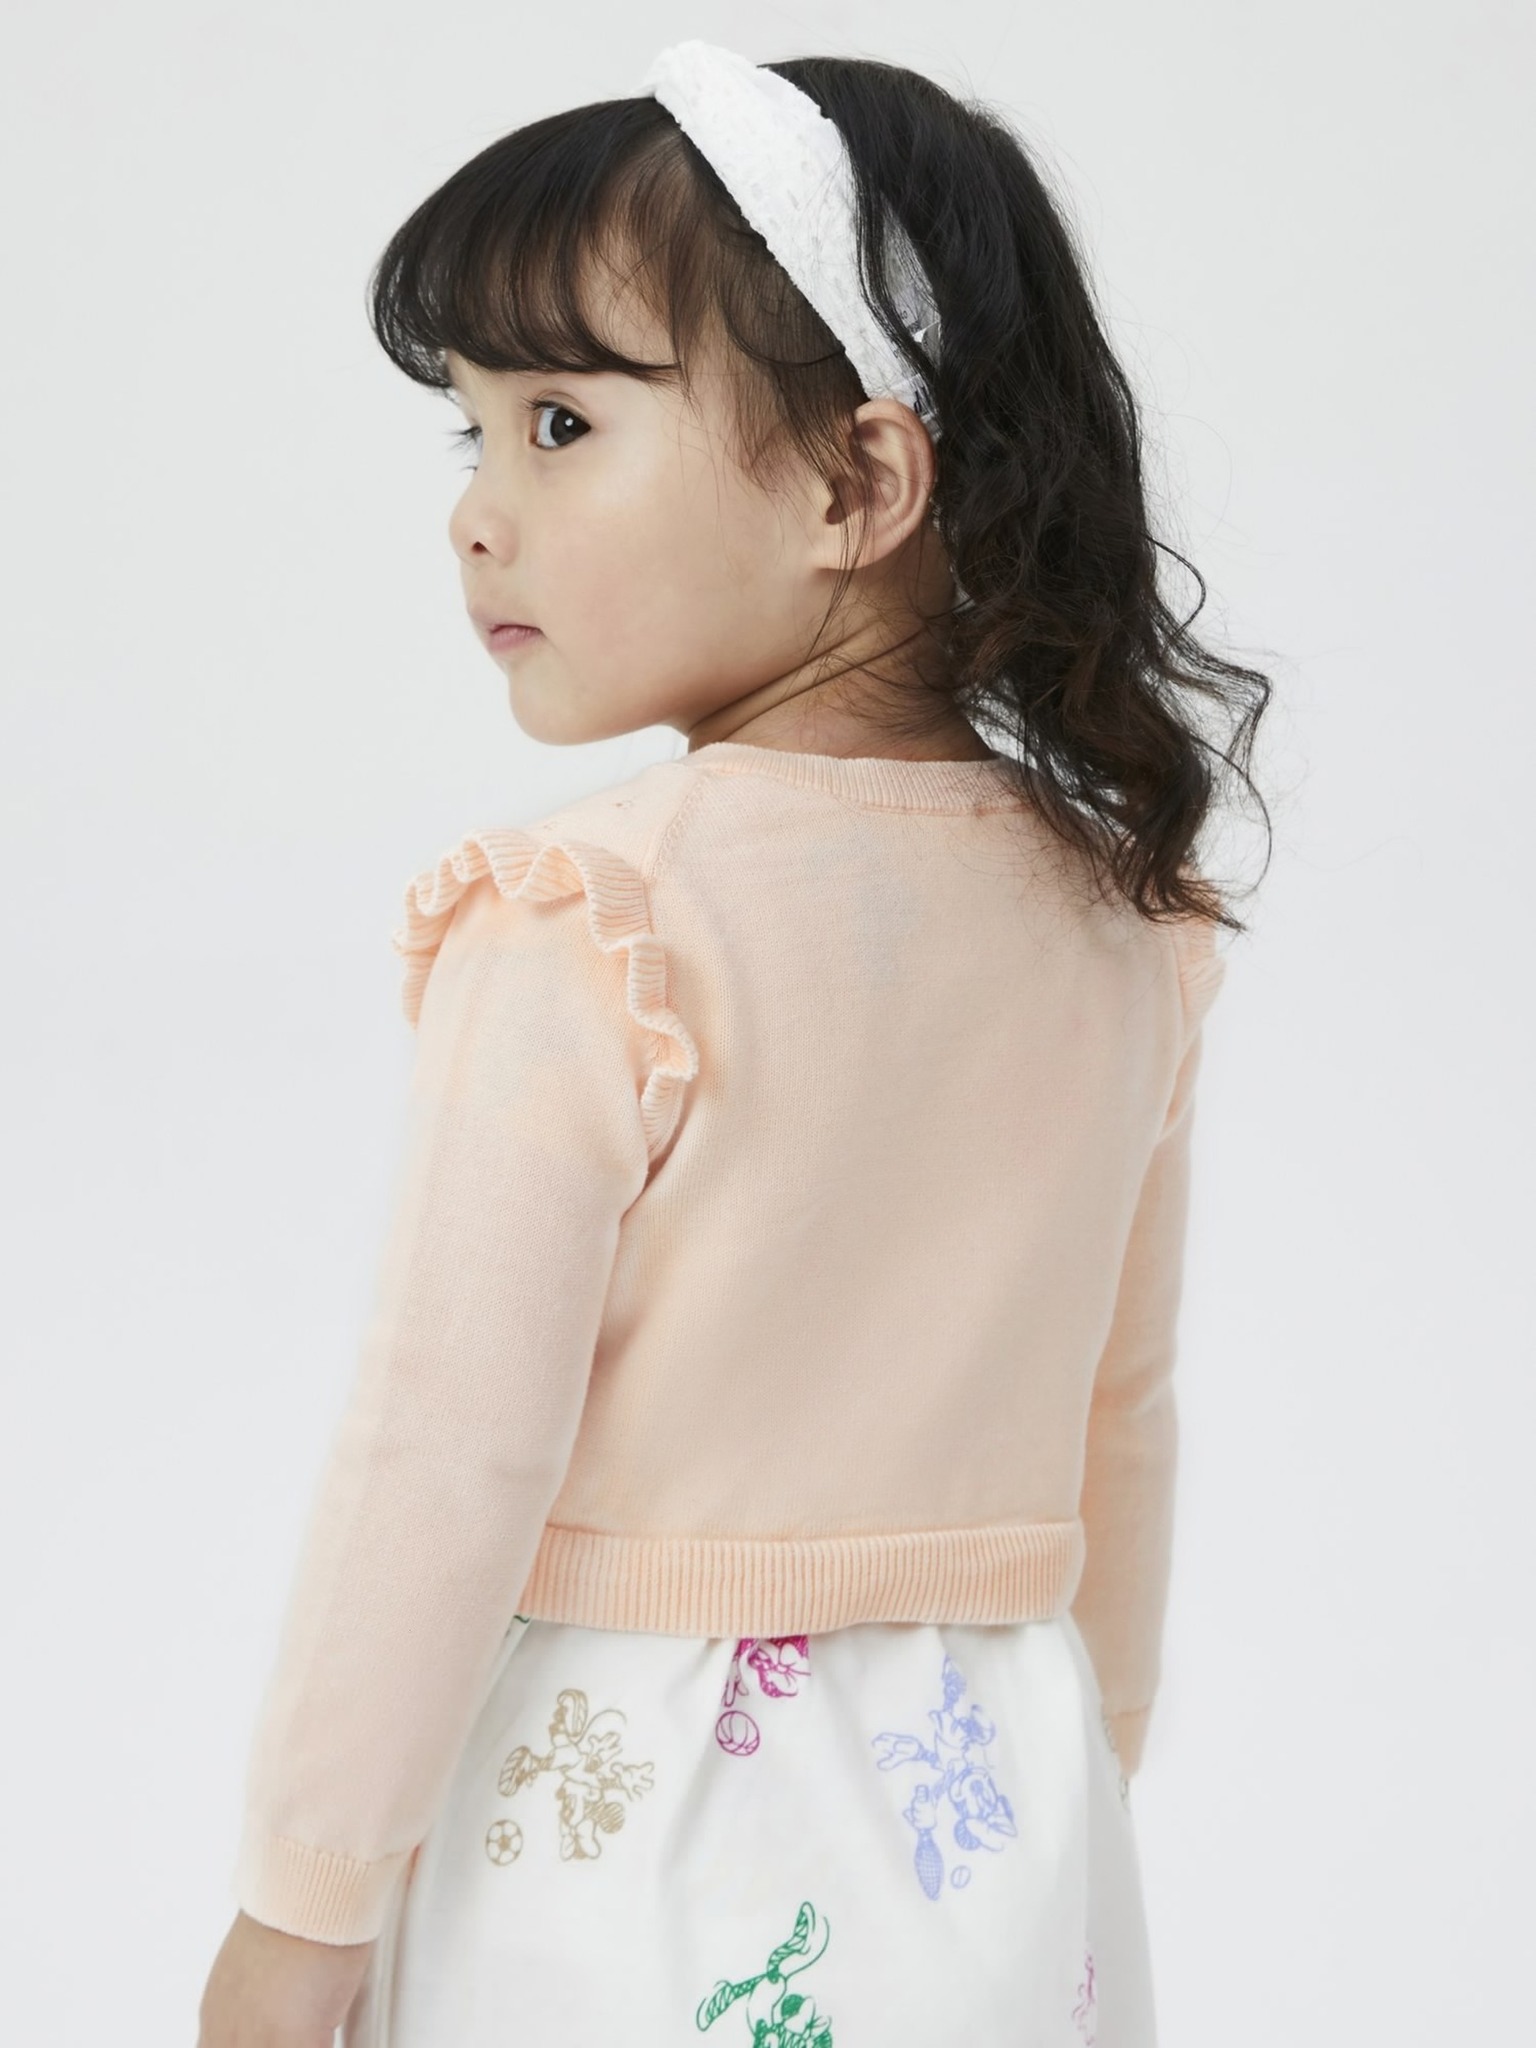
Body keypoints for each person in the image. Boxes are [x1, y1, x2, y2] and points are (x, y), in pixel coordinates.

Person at [197, 38, 1270, 2048]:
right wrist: (1087, 1765)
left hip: (628, 1833)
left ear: (857, 482)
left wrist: (304, 1900)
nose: (479, 517)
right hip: (999, 1810)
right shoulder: (1118, 928)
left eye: (558, 422)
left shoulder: (596, 921)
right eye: (468, 438)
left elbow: (445, 1450)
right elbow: (1123, 1405)